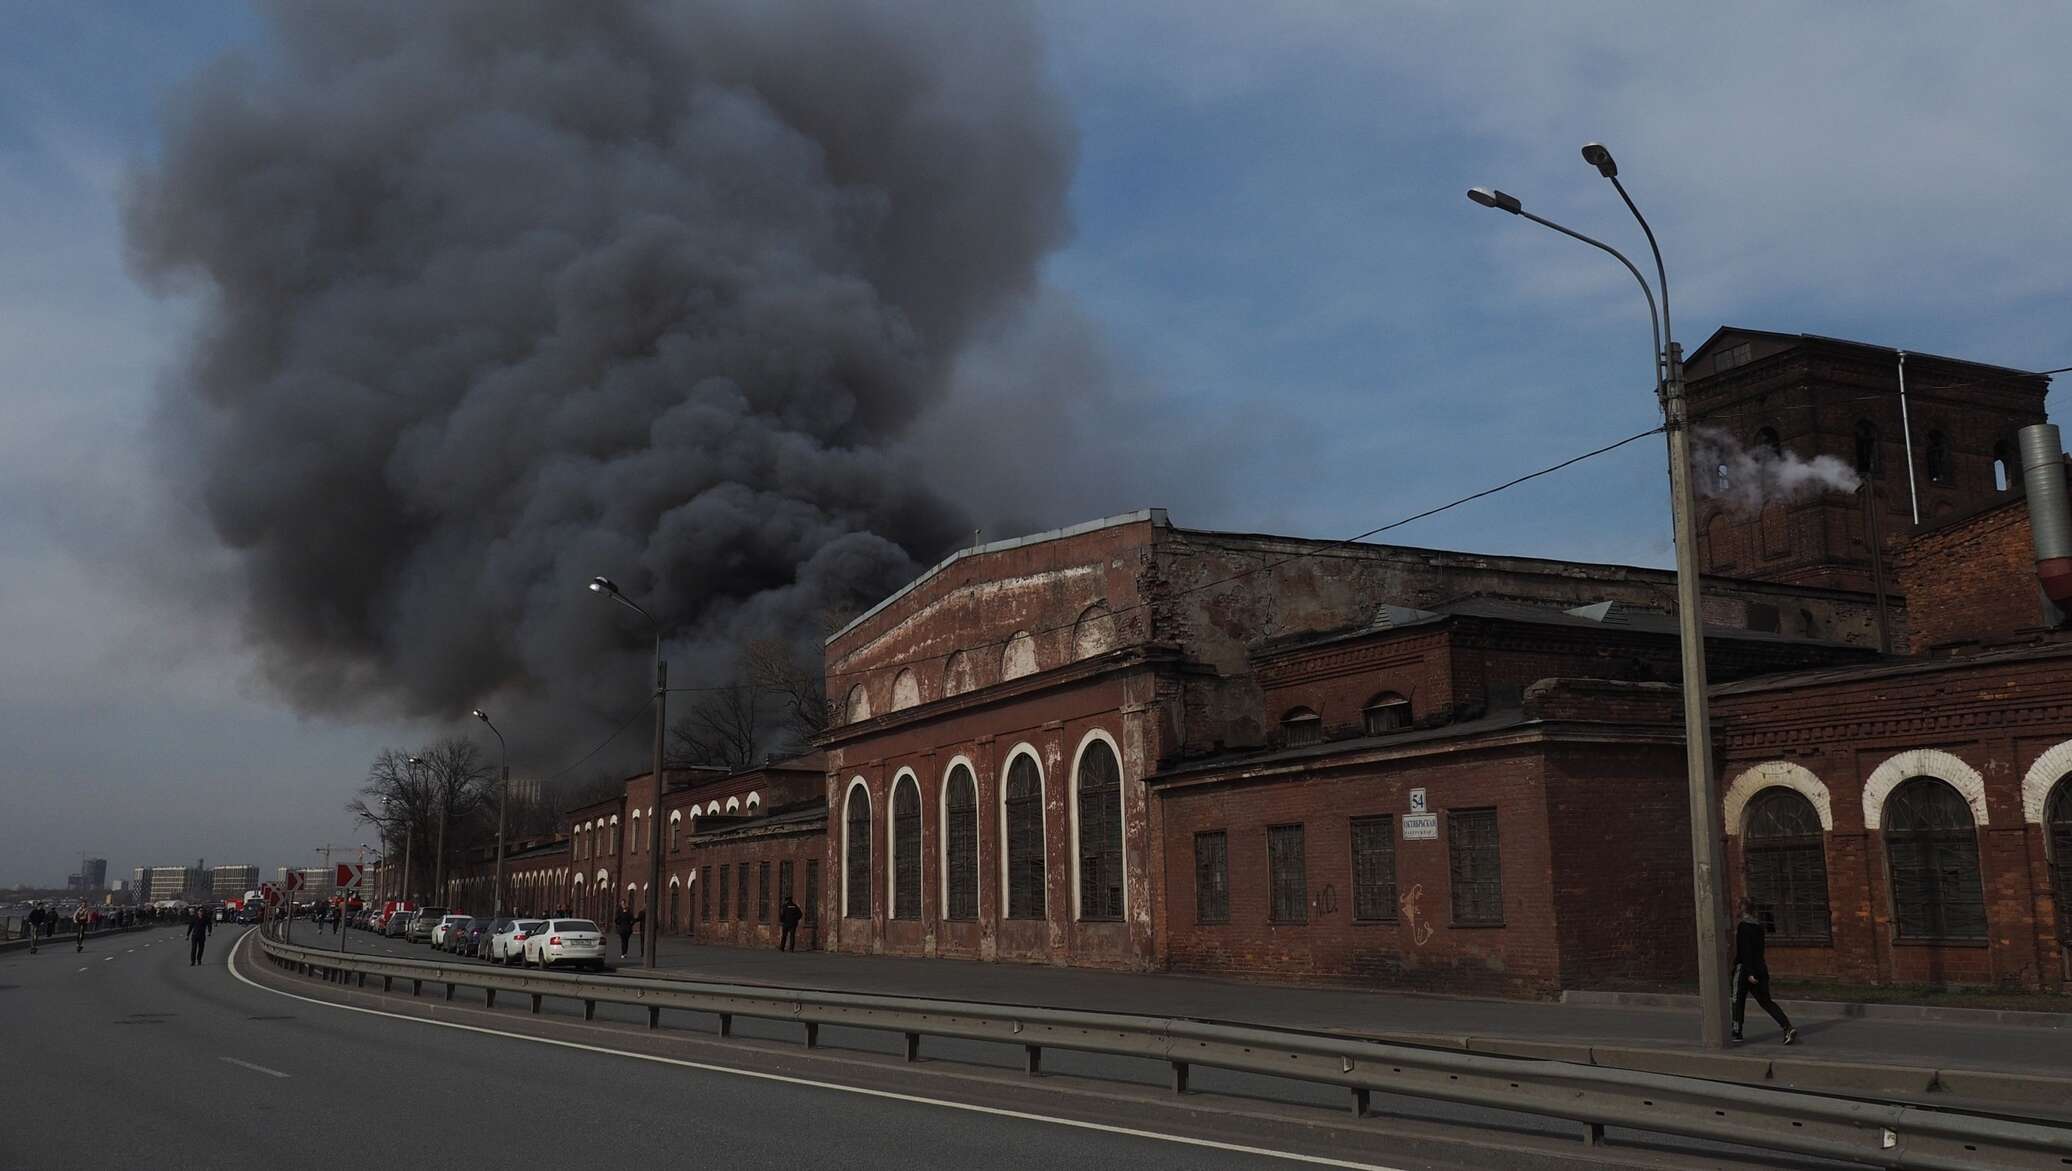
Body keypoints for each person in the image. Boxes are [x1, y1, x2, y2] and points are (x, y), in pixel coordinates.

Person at [1730, 897, 1796, 1045]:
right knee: (1766, 1001)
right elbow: (1758, 951)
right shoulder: (1759, 927)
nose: (1736, 910)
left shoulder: (1743, 927)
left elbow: (1745, 951)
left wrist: (1749, 972)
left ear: (1742, 908)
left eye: (1737, 907)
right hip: (1760, 968)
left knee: (1737, 1000)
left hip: (1745, 970)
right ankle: (1787, 1027)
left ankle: (1736, 1031)